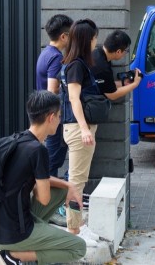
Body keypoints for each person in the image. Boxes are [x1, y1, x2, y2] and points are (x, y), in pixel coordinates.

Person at [0, 90, 86, 265]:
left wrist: (69, 186)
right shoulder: (38, 151)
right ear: (51, 117)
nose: (60, 120)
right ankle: (12, 257)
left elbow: (32, 181)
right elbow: (44, 198)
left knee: (61, 190)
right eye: (59, 116)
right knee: (78, 247)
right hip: (14, 234)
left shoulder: (18, 140)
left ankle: (33, 243)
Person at [60, 19, 101, 237]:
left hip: (75, 128)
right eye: (95, 37)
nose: (96, 41)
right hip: (78, 129)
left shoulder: (72, 63)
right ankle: (73, 229)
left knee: (78, 180)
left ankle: (78, 226)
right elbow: (74, 99)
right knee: (76, 183)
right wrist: (85, 129)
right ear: (88, 39)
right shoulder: (76, 65)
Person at [35, 14, 73, 227]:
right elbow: (52, 90)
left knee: (50, 160)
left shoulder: (45, 53)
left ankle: (45, 208)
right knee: (52, 162)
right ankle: (49, 210)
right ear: (63, 36)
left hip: (45, 117)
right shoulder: (56, 57)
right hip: (51, 118)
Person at [90, 30, 143, 100]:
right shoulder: (102, 67)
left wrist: (124, 83)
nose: (125, 54)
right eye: (126, 51)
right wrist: (135, 84)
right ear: (118, 51)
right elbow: (112, 95)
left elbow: (107, 85)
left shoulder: (98, 53)